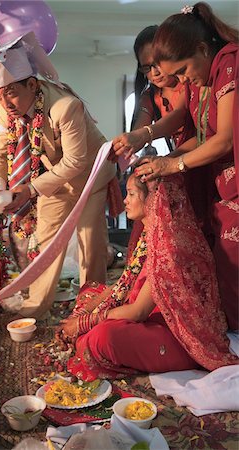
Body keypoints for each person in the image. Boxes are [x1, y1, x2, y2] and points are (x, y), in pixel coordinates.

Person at [0, 32, 118, 319]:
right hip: (52, 181)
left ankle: (91, 308)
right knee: (46, 243)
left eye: (12, 93)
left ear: (32, 84)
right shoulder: (5, 108)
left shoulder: (65, 107)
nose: (6, 103)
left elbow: (76, 160)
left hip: (89, 177)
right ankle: (36, 307)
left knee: (90, 244)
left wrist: (29, 190)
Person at [112, 3, 238, 331]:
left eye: (179, 70)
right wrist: (151, 150)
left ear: (199, 48)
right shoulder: (198, 76)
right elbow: (199, 132)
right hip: (210, 175)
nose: (179, 79)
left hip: (219, 176)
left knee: (228, 260)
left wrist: (170, 163)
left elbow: (221, 139)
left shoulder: (226, 66)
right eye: (147, 68)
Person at [56, 173, 238, 381]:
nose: (125, 200)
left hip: (176, 335)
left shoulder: (169, 249)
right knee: (89, 294)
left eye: (132, 194)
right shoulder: (148, 234)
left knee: (100, 338)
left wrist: (84, 323)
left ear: (153, 200)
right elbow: (124, 286)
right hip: (148, 319)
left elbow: (138, 311)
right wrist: (78, 317)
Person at [124, 25, 191, 261]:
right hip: (179, 169)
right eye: (146, 68)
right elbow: (138, 132)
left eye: (158, 63)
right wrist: (128, 145)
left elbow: (180, 117)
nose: (154, 73)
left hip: (199, 161)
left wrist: (145, 136)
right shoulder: (150, 95)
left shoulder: (190, 82)